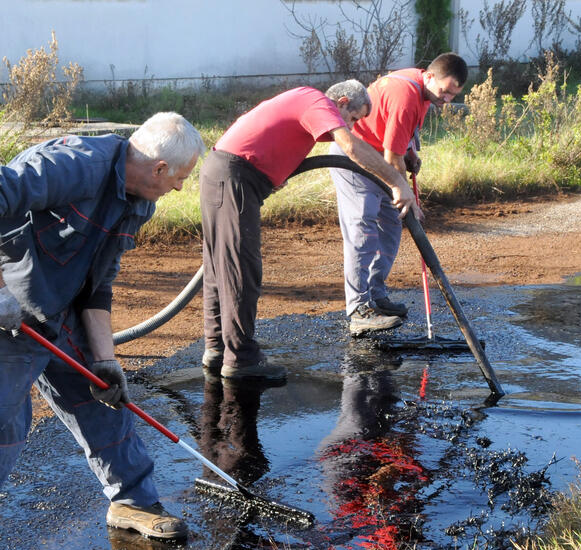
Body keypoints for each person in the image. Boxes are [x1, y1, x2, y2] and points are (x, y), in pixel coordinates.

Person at [0, 112, 207, 550]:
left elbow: (99, 284)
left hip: (58, 298)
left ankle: (133, 503)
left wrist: (104, 359)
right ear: (159, 168)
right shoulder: (75, 164)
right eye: (179, 178)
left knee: (98, 395)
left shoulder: (138, 202)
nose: (180, 189)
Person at [200, 80, 423, 382]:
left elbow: (274, 138)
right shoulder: (317, 102)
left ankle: (217, 348)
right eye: (354, 118)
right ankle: (241, 359)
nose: (354, 126)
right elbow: (351, 148)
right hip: (233, 175)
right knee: (241, 269)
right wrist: (397, 181)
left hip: (226, 172)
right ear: (342, 102)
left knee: (219, 269)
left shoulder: (306, 105)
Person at [329, 53, 468, 336]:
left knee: (391, 225)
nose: (447, 100)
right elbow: (393, 159)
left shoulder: (425, 91)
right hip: (355, 157)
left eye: (454, 95)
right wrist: (408, 197)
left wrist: (410, 151)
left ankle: (376, 296)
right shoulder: (407, 94)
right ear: (429, 76)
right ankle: (358, 309)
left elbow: (396, 136)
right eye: (445, 92)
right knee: (363, 230)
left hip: (378, 156)